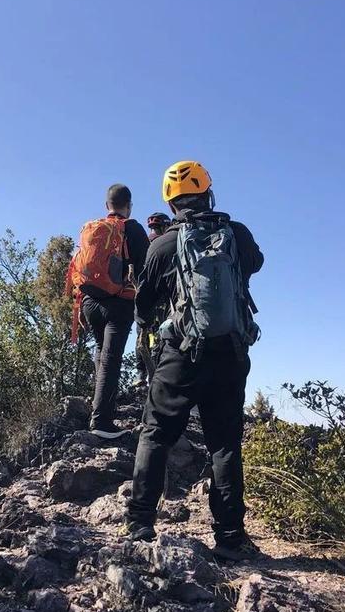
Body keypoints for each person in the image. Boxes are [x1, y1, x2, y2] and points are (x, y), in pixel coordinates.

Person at [124, 161, 264, 560]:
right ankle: (231, 536)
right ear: (208, 193)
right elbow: (256, 264)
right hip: (231, 353)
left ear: (171, 203)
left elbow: (145, 302)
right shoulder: (236, 234)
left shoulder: (164, 244)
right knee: (224, 444)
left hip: (182, 354)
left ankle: (140, 523)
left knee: (156, 433)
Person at [68, 183, 149, 439]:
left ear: (107, 206)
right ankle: (102, 421)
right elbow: (146, 267)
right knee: (111, 358)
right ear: (129, 205)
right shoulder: (132, 228)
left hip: (90, 302)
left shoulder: (93, 229)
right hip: (119, 303)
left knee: (102, 354)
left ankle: (100, 411)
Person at [132, 213, 172, 388]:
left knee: (142, 335)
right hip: (162, 298)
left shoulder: (144, 244)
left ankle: (141, 374)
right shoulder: (167, 244)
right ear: (165, 226)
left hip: (142, 297)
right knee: (160, 337)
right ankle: (157, 375)